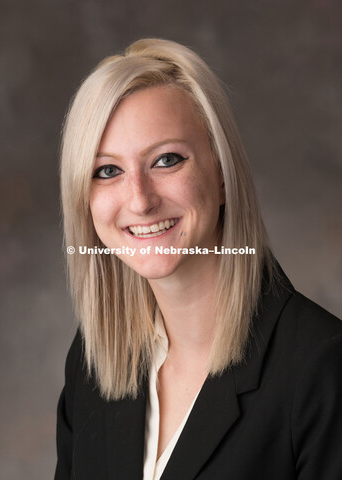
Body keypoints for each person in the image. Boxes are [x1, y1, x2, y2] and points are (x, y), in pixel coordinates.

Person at [55, 38, 342, 480]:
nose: (140, 200)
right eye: (107, 171)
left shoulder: (322, 368)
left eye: (166, 160)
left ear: (223, 175)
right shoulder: (93, 359)